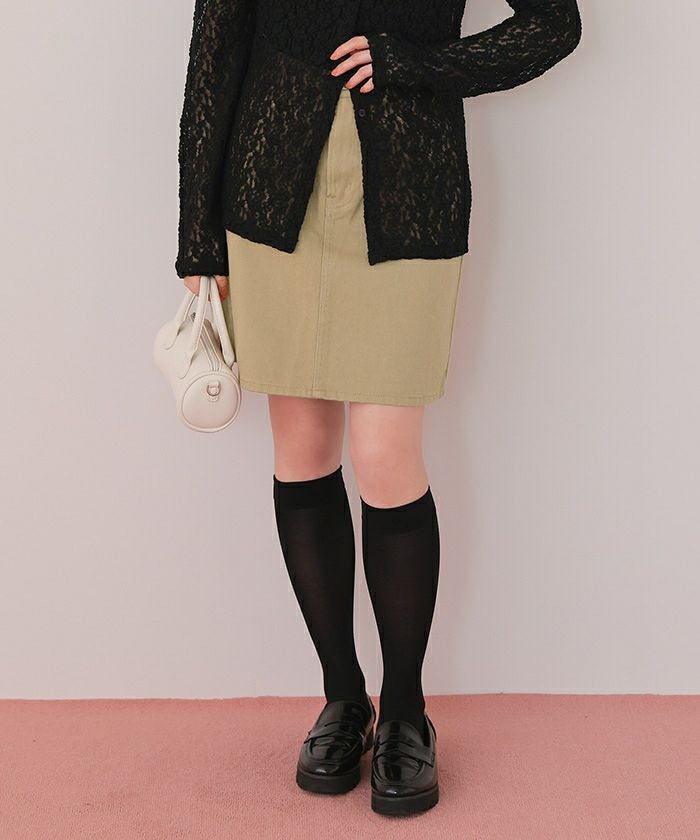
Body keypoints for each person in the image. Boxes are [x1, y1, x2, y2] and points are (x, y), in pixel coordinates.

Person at [174, 0, 581, 817]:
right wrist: (197, 232)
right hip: (271, 189)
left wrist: (415, 64)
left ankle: (404, 711)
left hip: (408, 184)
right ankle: (343, 697)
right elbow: (215, 53)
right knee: (301, 449)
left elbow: (553, 24)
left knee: (385, 456)